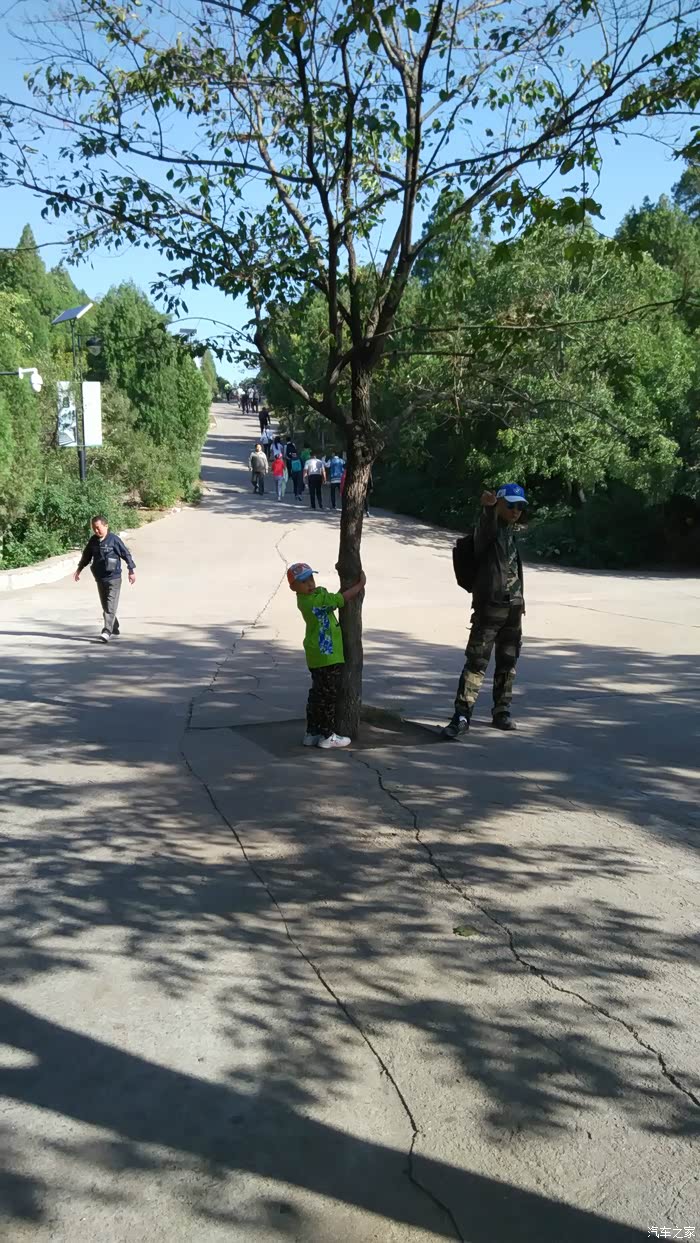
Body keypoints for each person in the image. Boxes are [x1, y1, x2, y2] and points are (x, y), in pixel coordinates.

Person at [443, 484, 527, 739]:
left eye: (520, 506)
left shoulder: (510, 532)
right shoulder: (488, 530)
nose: (515, 511)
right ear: (499, 504)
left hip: (514, 609)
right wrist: (488, 509)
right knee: (477, 662)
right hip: (490, 608)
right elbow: (484, 531)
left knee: (508, 662)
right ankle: (461, 715)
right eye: (510, 505)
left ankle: (502, 711)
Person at [287, 561, 366, 749]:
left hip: (317, 655)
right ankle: (327, 735)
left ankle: (312, 732)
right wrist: (360, 585)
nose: (310, 584)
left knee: (317, 694)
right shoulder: (315, 601)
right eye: (303, 582)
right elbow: (340, 599)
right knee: (328, 696)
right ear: (293, 588)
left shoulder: (308, 598)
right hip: (327, 654)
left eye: (311, 579)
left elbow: (331, 597)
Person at [74, 515, 136, 643]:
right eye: (94, 528)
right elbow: (86, 556)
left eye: (98, 528)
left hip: (114, 578)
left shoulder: (114, 540)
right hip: (100, 578)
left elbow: (126, 554)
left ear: (106, 526)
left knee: (110, 605)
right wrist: (79, 569)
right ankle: (114, 626)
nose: (96, 531)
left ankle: (107, 631)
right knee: (106, 606)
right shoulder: (93, 541)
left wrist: (131, 570)